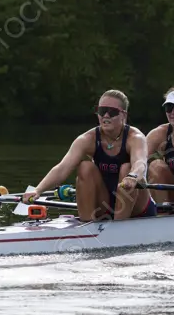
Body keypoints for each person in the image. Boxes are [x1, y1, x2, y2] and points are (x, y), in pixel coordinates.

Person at [21, 90, 156, 221]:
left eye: (112, 112)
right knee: (85, 167)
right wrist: (38, 190)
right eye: (102, 111)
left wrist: (132, 176)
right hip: (105, 202)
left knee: (127, 168)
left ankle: (119, 226)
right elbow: (62, 168)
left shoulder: (135, 137)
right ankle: (87, 226)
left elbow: (140, 163)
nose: (106, 116)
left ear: (123, 115)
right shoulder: (87, 139)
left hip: (137, 205)